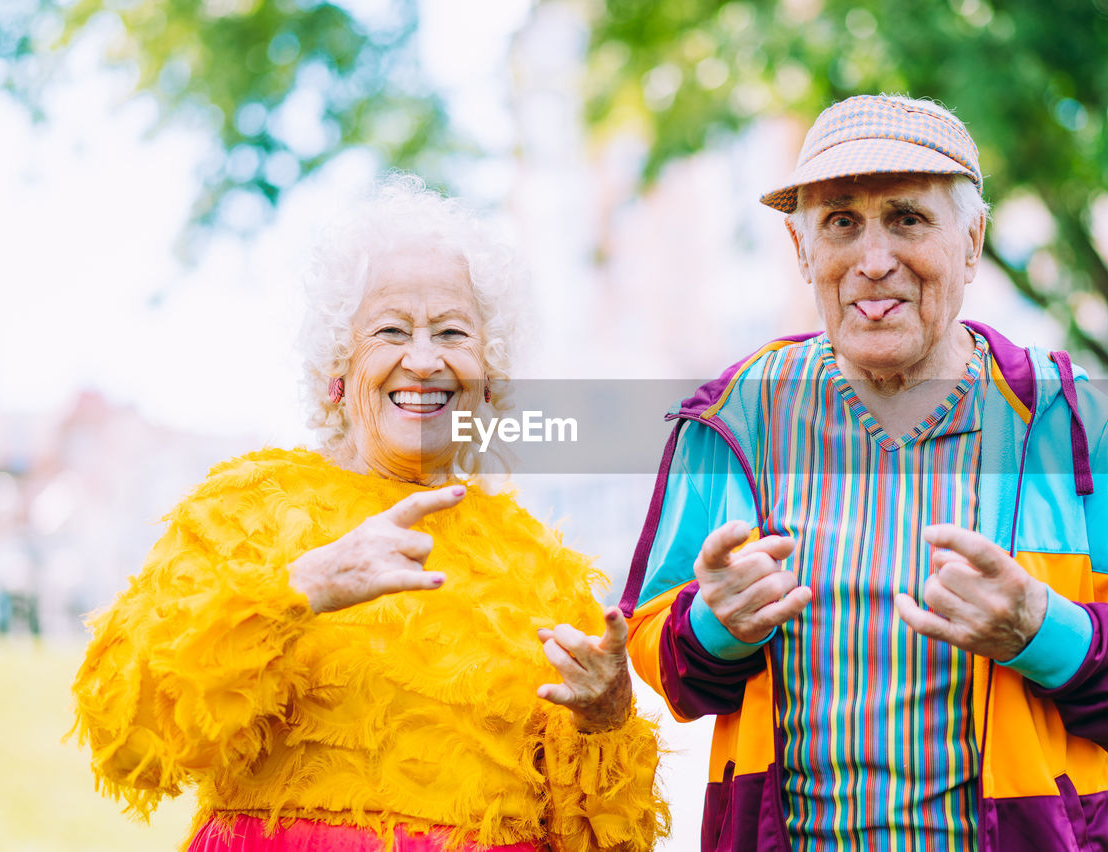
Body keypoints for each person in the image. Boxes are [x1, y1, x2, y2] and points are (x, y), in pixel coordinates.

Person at [619, 94, 1108, 851]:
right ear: (802, 249)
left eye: (908, 217)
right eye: (841, 222)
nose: (874, 261)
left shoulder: (1072, 422)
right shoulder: (732, 422)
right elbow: (653, 648)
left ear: (971, 242)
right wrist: (715, 629)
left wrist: (1044, 633)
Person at [72, 174, 669, 852]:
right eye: (390, 331)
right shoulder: (245, 512)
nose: (422, 360)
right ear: (337, 367)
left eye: (451, 331)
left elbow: (607, 841)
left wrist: (607, 714)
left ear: (490, 377)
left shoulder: (542, 573)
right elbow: (129, 735)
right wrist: (298, 591)